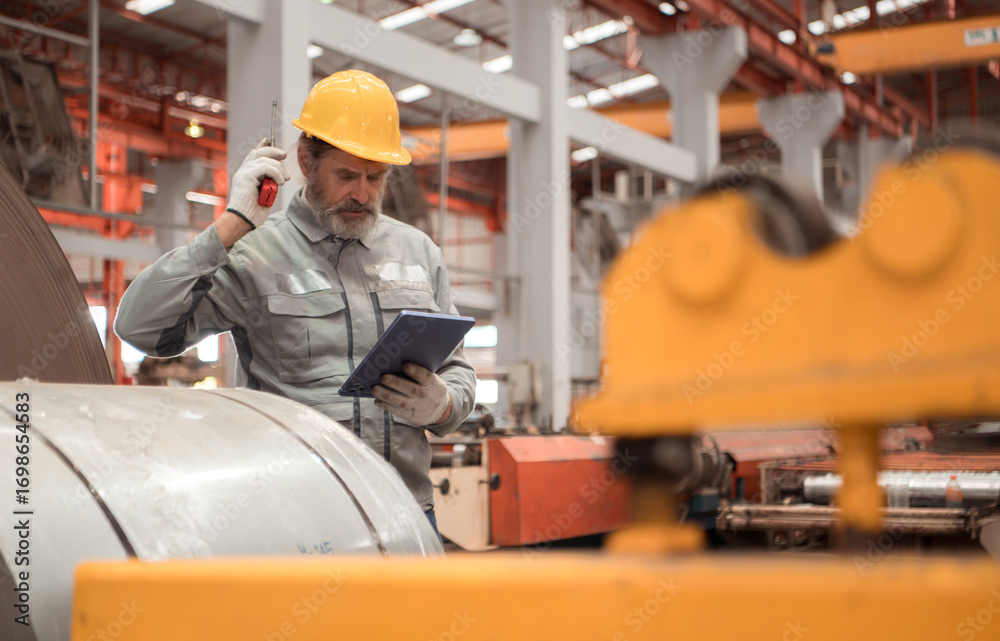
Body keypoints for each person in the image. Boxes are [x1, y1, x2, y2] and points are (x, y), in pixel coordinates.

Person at [115, 70, 476, 536]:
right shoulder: (252, 254)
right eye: (346, 175)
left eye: (375, 177)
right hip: (298, 518)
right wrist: (231, 224)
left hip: (406, 510)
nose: (363, 193)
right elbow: (140, 328)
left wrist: (444, 406)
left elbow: (459, 370)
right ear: (305, 161)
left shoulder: (418, 252)